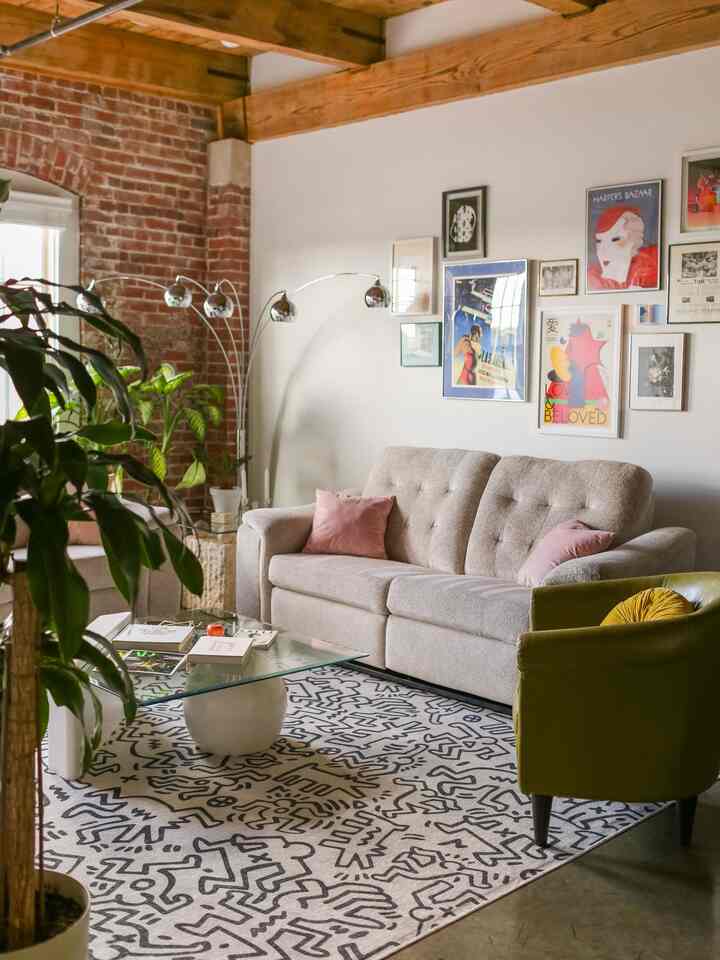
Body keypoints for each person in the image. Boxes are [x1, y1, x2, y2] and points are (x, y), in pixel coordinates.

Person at [587, 204, 658, 290]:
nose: (603, 250)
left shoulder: (652, 264)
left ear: (636, 242)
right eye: (599, 241)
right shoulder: (591, 277)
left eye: (616, 239)